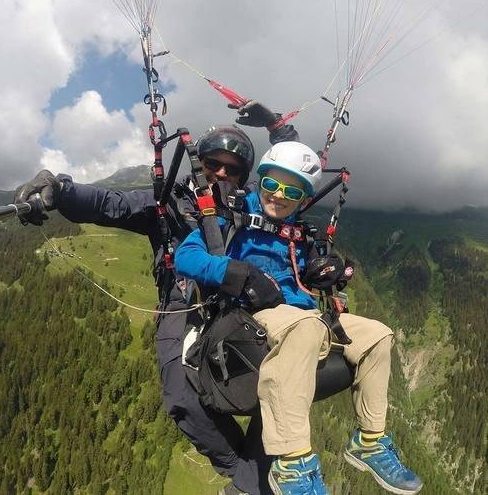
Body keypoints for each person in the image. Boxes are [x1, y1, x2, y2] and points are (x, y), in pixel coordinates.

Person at [13, 102, 298, 495]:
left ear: (244, 176)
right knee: (182, 396)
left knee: (279, 381)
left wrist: (276, 125)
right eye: (214, 163)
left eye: (232, 169)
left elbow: (291, 173)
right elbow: (108, 204)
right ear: (199, 163)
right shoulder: (169, 203)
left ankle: (257, 481)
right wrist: (59, 191)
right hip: (183, 304)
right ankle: (248, 478)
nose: (221, 173)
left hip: (240, 305)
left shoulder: (248, 202)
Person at [175, 141, 423, 494]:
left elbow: (303, 273)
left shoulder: (298, 232)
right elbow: (187, 258)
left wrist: (325, 270)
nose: (277, 196)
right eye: (271, 185)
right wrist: (236, 273)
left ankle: (370, 440)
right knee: (305, 327)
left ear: (301, 197)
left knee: (378, 335)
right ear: (260, 181)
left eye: (290, 191)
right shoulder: (228, 216)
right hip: (249, 316)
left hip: (301, 314)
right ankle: (292, 463)